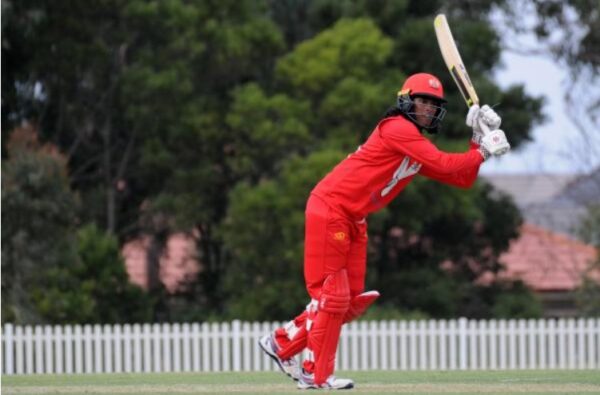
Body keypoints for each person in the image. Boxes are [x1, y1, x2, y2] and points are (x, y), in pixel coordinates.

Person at [259, 72, 509, 390]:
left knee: (348, 301)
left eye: (434, 105)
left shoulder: (414, 145)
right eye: (423, 102)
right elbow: (449, 164)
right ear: (406, 100)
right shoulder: (397, 128)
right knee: (332, 296)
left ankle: (282, 344)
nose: (429, 109)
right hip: (331, 207)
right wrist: (483, 150)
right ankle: (314, 374)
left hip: (355, 217)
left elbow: (461, 178)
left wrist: (476, 138)